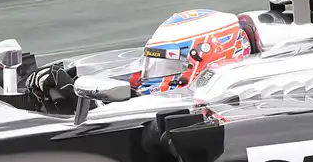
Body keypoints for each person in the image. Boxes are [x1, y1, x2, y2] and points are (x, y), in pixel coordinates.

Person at [25, 9, 252, 111]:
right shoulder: (162, 83)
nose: (152, 73)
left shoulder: (239, 98)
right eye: (154, 62)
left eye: (169, 64)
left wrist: (86, 106)